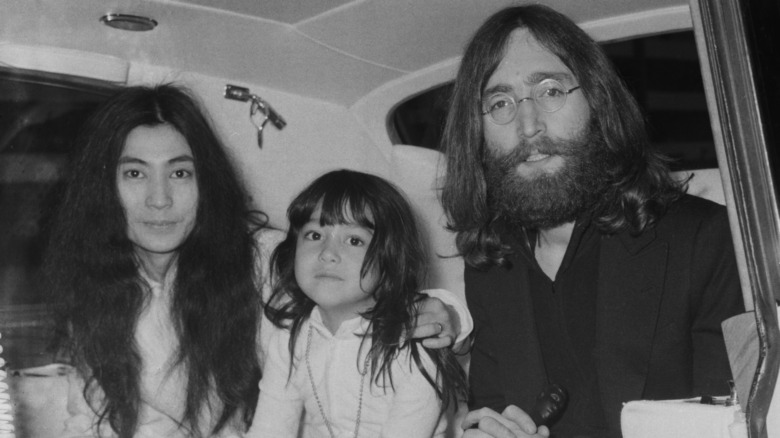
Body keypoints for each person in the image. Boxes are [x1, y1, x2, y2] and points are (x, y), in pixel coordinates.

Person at [44, 84, 467, 438]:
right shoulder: (92, 288)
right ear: (105, 186)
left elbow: (358, 301)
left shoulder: (261, 258)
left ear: (205, 183)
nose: (160, 199)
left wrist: (445, 312)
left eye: (179, 173)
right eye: (135, 173)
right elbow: (87, 420)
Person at [438, 5, 744, 438]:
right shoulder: (490, 263)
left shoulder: (705, 240)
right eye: (500, 102)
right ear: (477, 130)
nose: (528, 125)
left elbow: (733, 425)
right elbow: (492, 407)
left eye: (551, 90)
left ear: (598, 101)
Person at [248, 169, 469, 438]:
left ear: (390, 259)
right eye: (315, 235)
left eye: (354, 240)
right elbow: (269, 430)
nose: (328, 254)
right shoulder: (289, 339)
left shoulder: (410, 346)